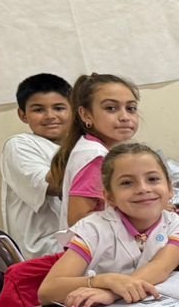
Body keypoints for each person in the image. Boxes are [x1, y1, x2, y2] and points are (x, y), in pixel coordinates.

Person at [39, 142, 179, 307]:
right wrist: (105, 280)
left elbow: (161, 267)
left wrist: (112, 293)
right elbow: (47, 291)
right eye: (127, 183)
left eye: (152, 179)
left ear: (170, 188)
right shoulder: (93, 229)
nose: (143, 189)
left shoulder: (174, 224)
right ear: (109, 197)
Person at [46, 73, 141, 230]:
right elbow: (78, 221)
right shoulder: (95, 156)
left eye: (131, 108)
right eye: (111, 108)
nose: (125, 117)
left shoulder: (92, 148)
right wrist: (141, 212)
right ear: (86, 115)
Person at [2, 74, 71, 258]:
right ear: (23, 115)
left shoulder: (84, 145)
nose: (50, 116)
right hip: (45, 248)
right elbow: (54, 186)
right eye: (39, 109)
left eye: (59, 108)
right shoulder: (19, 144)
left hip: (78, 241)